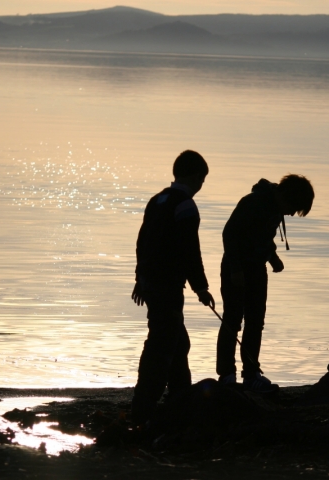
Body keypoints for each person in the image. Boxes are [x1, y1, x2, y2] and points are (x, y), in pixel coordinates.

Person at [130, 150, 216, 425]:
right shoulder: (186, 206)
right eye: (202, 179)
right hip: (168, 284)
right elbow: (191, 251)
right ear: (193, 177)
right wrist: (201, 287)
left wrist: (139, 278)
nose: (202, 185)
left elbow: (142, 242)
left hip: (151, 281)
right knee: (162, 343)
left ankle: (179, 396)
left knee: (178, 341)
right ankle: (144, 404)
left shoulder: (157, 200)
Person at [216, 174, 314, 393]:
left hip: (257, 268)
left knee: (255, 321)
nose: (290, 213)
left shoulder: (275, 208)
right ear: (285, 195)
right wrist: (235, 269)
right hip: (236, 268)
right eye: (292, 207)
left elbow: (262, 236)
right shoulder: (252, 203)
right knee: (232, 320)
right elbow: (229, 233)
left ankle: (251, 375)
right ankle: (226, 374)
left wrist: (273, 258)